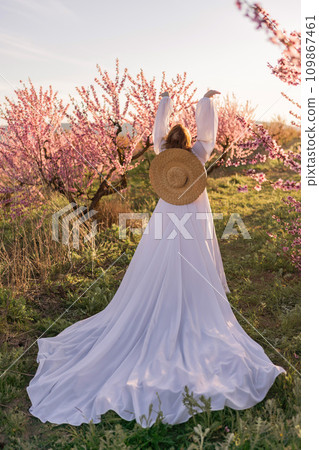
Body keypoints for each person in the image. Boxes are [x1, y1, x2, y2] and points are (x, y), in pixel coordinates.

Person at [26, 90, 286, 428]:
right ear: (189, 141)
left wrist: (164, 101)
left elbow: (155, 132)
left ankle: (162, 300)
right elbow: (208, 134)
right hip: (193, 215)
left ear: (167, 143)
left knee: (161, 256)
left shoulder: (164, 153)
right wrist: (207, 103)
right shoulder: (199, 154)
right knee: (195, 258)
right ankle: (191, 303)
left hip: (168, 213)